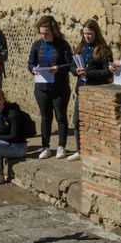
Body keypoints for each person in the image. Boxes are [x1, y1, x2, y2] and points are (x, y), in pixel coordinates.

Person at [28, 15, 73, 159]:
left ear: (53, 31)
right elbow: (30, 63)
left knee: (60, 117)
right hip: (41, 88)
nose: (43, 36)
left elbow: (71, 65)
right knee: (45, 117)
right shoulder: (36, 45)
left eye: (46, 33)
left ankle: (61, 146)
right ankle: (45, 146)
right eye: (41, 33)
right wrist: (33, 69)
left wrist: (58, 68)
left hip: (59, 87)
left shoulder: (62, 45)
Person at [70, 19, 113, 161]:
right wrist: (76, 71)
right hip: (81, 90)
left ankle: (97, 150)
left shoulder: (104, 50)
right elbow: (72, 66)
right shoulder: (80, 48)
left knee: (96, 123)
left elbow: (107, 73)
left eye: (89, 33)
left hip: (96, 92)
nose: (87, 36)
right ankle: (80, 149)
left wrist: (88, 73)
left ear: (96, 33)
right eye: (84, 33)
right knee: (77, 121)